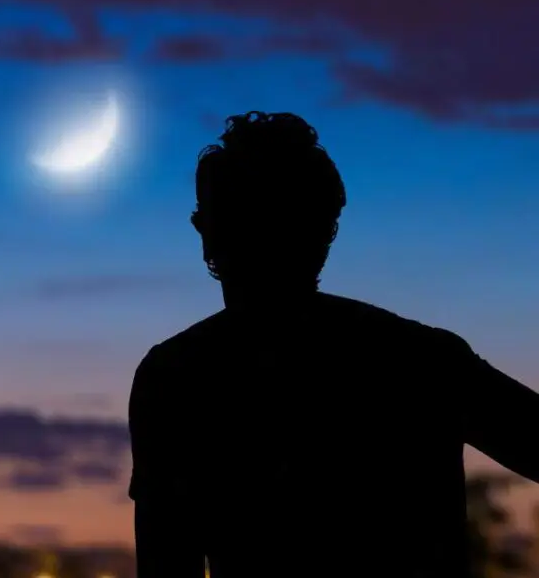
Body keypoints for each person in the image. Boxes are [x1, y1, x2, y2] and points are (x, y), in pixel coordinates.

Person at [127, 111, 539, 578]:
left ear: (205, 231)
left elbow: (165, 558)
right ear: (326, 229)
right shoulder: (422, 360)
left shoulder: (176, 378)